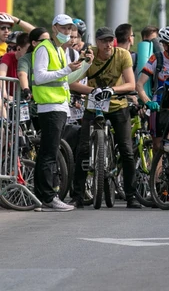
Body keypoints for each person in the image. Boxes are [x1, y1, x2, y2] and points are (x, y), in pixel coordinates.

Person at [69, 27, 140, 208]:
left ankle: (131, 195)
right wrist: (94, 91)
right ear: (97, 42)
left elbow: (131, 83)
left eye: (110, 40)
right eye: (103, 41)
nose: (107, 45)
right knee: (83, 148)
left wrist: (111, 90)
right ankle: (77, 195)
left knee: (127, 150)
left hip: (117, 104)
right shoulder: (88, 54)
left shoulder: (123, 55)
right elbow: (73, 81)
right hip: (94, 105)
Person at [32, 14, 87, 211]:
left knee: (49, 152)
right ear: (54, 28)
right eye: (63, 28)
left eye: (69, 29)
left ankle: (40, 197)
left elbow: (69, 77)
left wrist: (84, 63)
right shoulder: (44, 48)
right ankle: (48, 196)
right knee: (50, 153)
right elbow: (39, 77)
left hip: (59, 106)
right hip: (50, 107)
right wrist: (65, 70)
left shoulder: (59, 50)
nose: (67, 32)